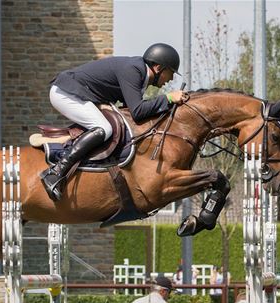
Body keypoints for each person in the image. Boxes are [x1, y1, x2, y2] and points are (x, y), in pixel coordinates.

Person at [40, 43, 189, 201]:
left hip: (79, 93)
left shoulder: (139, 73)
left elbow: (131, 112)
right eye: (171, 72)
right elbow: (137, 112)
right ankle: (56, 172)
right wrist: (168, 98)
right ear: (158, 68)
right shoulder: (134, 70)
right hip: (66, 93)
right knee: (104, 128)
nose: (171, 78)